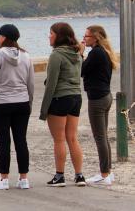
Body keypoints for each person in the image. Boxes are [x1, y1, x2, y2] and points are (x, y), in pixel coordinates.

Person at [0, 24, 34, 190]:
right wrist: (29, 103)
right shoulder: (26, 56)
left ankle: (4, 179)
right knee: (21, 141)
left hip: (2, 104)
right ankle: (23, 178)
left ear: (4, 38)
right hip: (22, 103)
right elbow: (30, 83)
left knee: (4, 142)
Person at [40, 22, 85, 187]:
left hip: (59, 98)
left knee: (59, 139)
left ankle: (59, 176)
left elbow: (51, 84)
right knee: (72, 138)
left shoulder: (56, 55)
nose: (49, 36)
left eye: (51, 33)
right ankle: (79, 175)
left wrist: (44, 110)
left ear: (58, 36)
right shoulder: (77, 53)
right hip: (76, 97)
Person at [80, 25, 118, 185]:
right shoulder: (104, 52)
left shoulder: (96, 53)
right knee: (104, 137)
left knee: (100, 137)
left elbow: (81, 70)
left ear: (95, 38)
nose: (83, 39)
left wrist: (80, 54)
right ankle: (107, 172)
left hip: (97, 99)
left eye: (87, 36)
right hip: (105, 96)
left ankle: (104, 174)